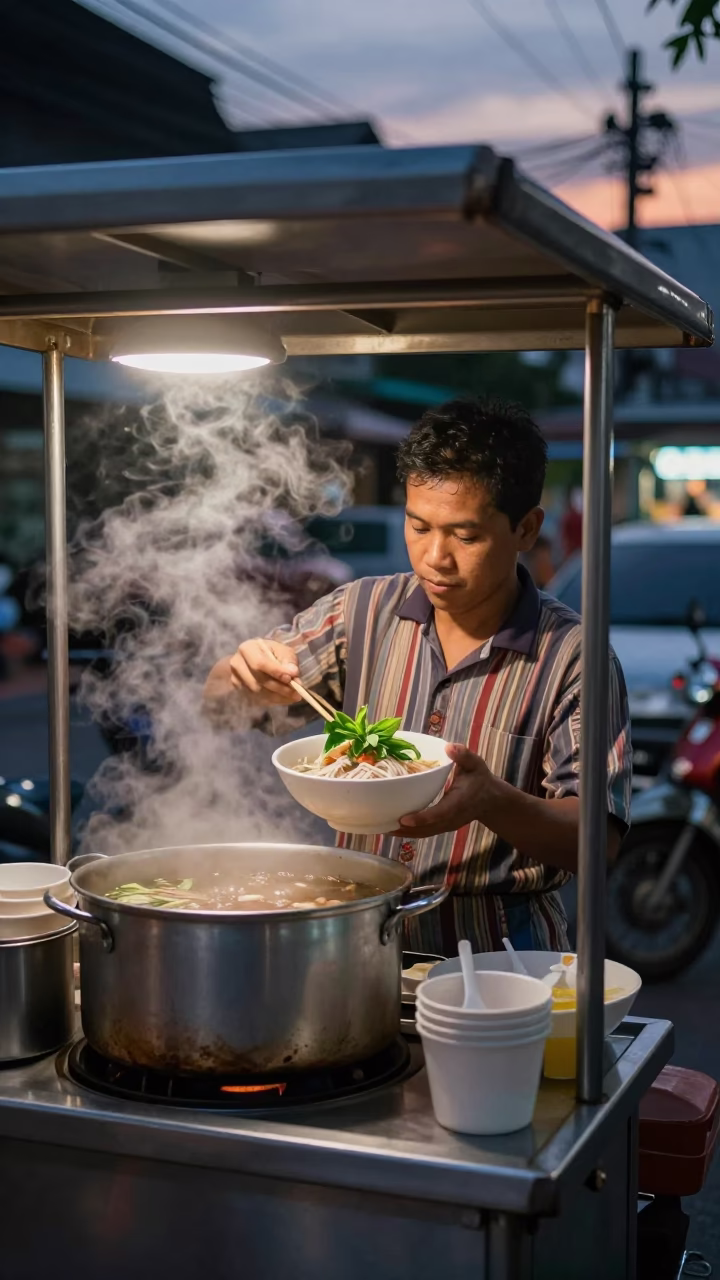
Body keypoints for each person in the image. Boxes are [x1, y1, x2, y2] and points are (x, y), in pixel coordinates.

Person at [204, 398, 631, 954]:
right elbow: (219, 706)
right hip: (358, 937)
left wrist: (492, 800)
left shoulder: (574, 656)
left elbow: (599, 842)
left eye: (465, 536)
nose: (435, 558)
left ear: (526, 528)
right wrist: (239, 675)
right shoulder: (358, 612)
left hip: (503, 954)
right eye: (418, 525)